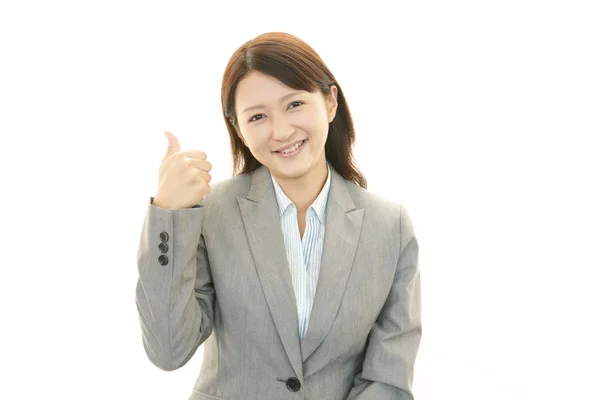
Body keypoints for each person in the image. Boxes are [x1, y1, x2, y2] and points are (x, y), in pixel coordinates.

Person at [135, 31, 421, 400]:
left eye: (294, 105)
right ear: (238, 127)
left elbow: (389, 378)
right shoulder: (211, 213)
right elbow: (168, 351)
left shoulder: (390, 227)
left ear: (330, 102)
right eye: (257, 116)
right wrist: (169, 215)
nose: (281, 131)